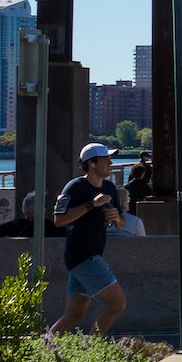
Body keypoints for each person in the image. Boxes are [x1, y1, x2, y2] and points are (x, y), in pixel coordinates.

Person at [52, 143, 128, 334]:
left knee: (74, 314)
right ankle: (93, 348)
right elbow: (59, 220)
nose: (111, 163)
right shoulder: (74, 187)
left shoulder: (110, 187)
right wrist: (90, 205)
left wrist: (116, 218)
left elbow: (122, 223)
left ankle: (44, 349)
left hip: (92, 253)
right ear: (92, 163)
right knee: (117, 303)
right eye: (106, 159)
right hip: (82, 256)